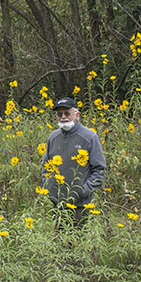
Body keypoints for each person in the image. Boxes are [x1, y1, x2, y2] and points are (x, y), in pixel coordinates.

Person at [41, 97, 106, 226]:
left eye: (67, 113)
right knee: (59, 241)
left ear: (77, 115)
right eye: (59, 114)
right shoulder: (53, 137)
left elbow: (99, 170)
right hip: (57, 204)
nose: (63, 117)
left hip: (80, 206)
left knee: (78, 242)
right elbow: (45, 165)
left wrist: (82, 191)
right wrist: (48, 188)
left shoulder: (90, 137)